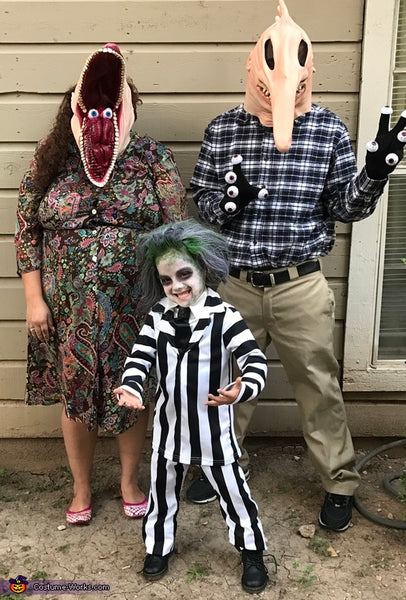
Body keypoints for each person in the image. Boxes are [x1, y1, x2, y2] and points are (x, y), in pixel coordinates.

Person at [187, 0, 406, 532]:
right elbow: (200, 198)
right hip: (236, 283)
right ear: (250, 67)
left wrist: (375, 173)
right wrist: (226, 206)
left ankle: (339, 481)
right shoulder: (224, 130)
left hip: (300, 284)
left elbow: (344, 206)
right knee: (226, 379)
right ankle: (217, 467)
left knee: (319, 386)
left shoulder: (328, 130)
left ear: (311, 71)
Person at [15, 43, 187, 525]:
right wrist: (34, 300)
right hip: (67, 310)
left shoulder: (152, 157)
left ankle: (130, 480)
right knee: (76, 396)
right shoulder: (53, 157)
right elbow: (26, 228)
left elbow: (176, 229)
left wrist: (177, 300)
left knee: (130, 392)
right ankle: (82, 486)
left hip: (134, 307)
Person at [114, 219, 269, 594]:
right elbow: (140, 357)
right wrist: (133, 385)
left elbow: (254, 361)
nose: (177, 286)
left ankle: (251, 550)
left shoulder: (224, 316)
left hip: (213, 429)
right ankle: (158, 547)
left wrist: (242, 389)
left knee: (234, 492)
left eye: (184, 274)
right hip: (169, 428)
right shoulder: (158, 317)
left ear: (203, 269)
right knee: (162, 493)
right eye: (167, 280)